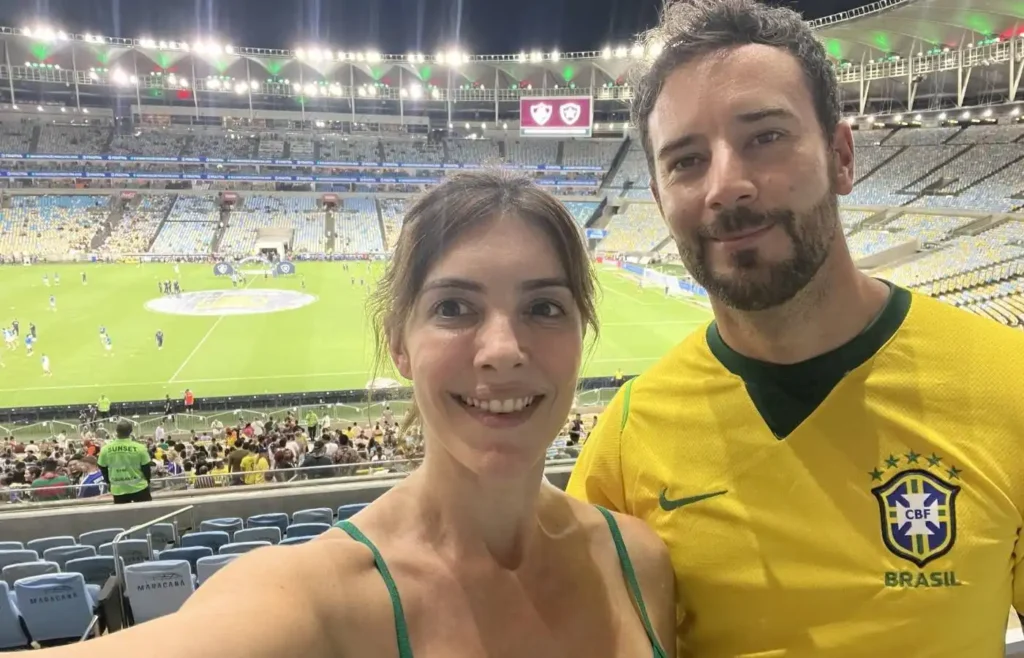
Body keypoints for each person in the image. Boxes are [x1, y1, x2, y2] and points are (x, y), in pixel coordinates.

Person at [39, 172, 676, 658]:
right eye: (454, 308)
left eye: (545, 307)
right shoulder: (313, 599)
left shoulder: (643, 563)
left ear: (581, 333)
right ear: (398, 343)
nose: (503, 351)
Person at [566, 1, 1024, 656]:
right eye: (686, 160)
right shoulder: (626, 440)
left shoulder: (1010, 384)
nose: (726, 185)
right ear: (661, 196)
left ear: (841, 156)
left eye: (765, 137)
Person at [97, 419, 152, 504]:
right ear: (130, 431)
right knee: (147, 514)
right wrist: (147, 480)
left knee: (122, 516)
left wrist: (108, 482)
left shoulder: (105, 449)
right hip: (139, 487)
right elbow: (146, 468)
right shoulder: (140, 448)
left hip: (118, 489)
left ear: (116, 431)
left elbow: (102, 467)